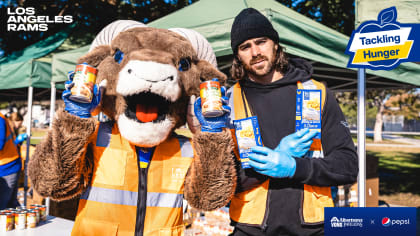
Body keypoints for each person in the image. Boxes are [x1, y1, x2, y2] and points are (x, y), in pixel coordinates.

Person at [192, 8, 358, 236]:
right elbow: (217, 188)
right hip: (250, 229)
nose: (255, 52)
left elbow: (347, 167)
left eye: (261, 41)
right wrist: (211, 134)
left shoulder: (316, 93)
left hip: (313, 229)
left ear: (276, 44)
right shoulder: (227, 103)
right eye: (245, 47)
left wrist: (294, 167)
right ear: (237, 55)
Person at [0, 112, 27, 209]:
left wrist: (18, 141)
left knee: (3, 206)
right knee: (11, 204)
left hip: (7, 167)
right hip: (9, 165)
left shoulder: (0, 119)